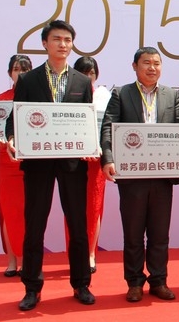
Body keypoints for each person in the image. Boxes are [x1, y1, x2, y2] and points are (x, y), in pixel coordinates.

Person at [5, 20, 96, 310]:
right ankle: (32, 288)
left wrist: (90, 145)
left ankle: (81, 283)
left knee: (78, 225)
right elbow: (15, 119)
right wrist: (11, 138)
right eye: (57, 39)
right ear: (45, 43)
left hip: (72, 163)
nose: (63, 44)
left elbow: (87, 121)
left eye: (67, 40)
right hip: (38, 162)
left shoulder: (82, 82)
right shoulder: (29, 80)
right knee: (35, 225)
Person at [101, 47, 179, 302]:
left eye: (156, 63)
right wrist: (108, 158)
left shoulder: (171, 95)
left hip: (162, 175)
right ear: (135, 66)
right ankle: (134, 282)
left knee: (159, 233)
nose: (152, 68)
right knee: (133, 233)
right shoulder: (122, 94)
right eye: (146, 63)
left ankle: (159, 280)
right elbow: (108, 127)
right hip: (132, 176)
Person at [0, 54, 32, 277]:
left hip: (31, 162)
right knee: (9, 211)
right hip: (7, 163)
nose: (21, 73)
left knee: (30, 212)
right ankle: (11, 260)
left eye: (25, 69)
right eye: (17, 69)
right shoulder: (1, 99)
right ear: (10, 73)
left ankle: (27, 260)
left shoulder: (37, 98)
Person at [70, 56, 108, 274]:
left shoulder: (104, 97)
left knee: (94, 207)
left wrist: (101, 148)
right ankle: (75, 253)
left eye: (91, 73)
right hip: (72, 160)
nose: (88, 77)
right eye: (83, 73)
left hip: (95, 162)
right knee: (73, 208)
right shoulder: (68, 97)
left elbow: (109, 129)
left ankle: (91, 253)